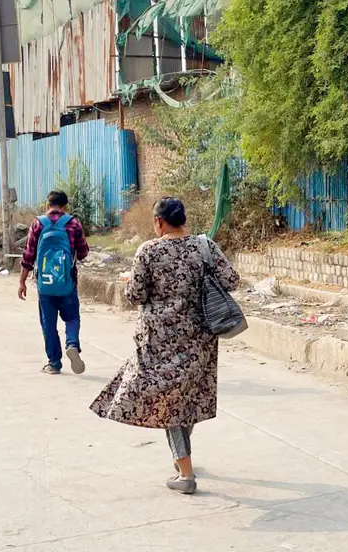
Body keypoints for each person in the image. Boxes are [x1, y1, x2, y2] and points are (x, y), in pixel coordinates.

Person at [89, 197, 239, 495]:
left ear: (158, 222)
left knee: (171, 403)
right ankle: (181, 455)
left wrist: (131, 279)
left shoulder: (149, 251)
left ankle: (185, 473)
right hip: (200, 338)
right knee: (183, 399)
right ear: (183, 219)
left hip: (159, 340)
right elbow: (231, 280)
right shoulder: (204, 246)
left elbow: (135, 295)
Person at [18, 190, 90, 375]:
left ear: (47, 205)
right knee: (72, 317)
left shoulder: (38, 224)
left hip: (45, 284)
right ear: (65, 206)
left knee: (48, 323)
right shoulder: (73, 223)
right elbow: (82, 253)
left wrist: (22, 282)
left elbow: (28, 255)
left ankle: (54, 363)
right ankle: (72, 344)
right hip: (67, 282)